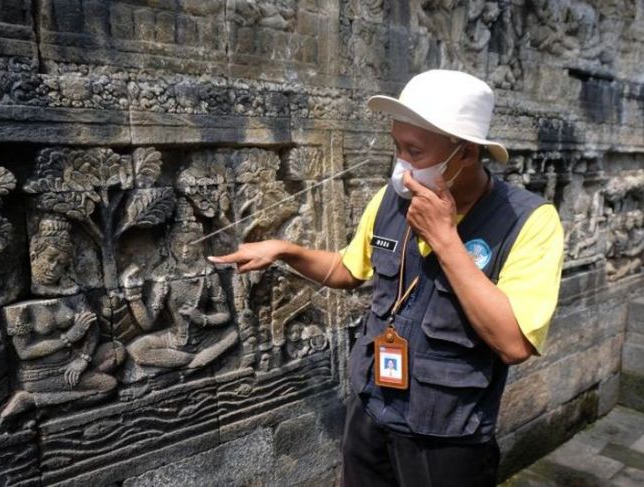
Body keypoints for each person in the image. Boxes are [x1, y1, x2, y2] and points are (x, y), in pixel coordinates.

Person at [209, 69, 564, 487]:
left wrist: (446, 239)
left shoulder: (530, 221)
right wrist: (286, 251)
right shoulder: (390, 200)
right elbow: (347, 269)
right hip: (372, 405)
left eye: (414, 151)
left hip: (447, 432)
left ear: (465, 153)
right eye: (397, 147)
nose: (401, 165)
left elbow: (513, 342)